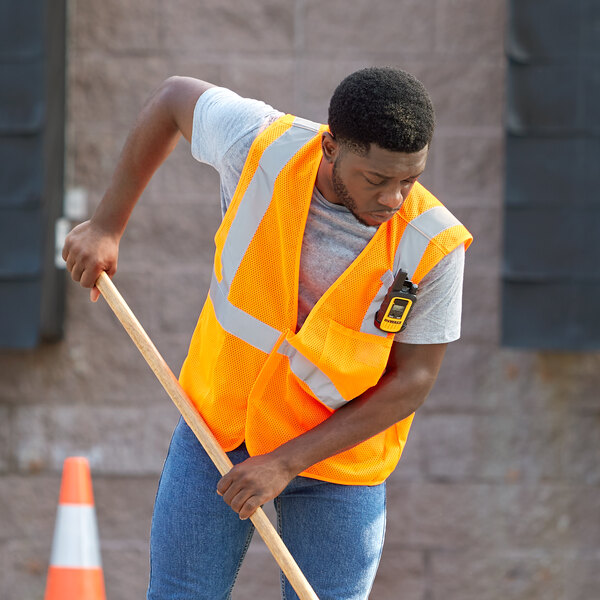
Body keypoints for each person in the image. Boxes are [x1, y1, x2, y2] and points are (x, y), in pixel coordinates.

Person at [62, 67, 472, 600]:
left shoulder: (432, 244)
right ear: (330, 148)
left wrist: (285, 462)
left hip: (338, 459)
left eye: (409, 180)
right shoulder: (260, 146)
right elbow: (171, 99)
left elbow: (414, 381)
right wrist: (106, 226)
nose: (394, 198)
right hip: (218, 430)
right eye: (376, 179)